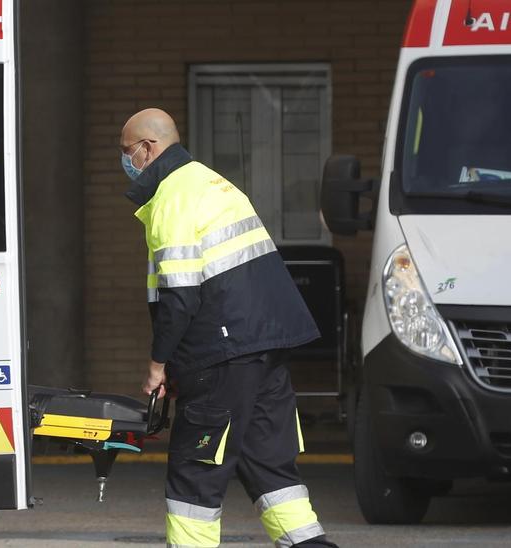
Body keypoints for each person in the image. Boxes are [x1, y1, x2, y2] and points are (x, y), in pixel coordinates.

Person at [119, 108, 338, 548]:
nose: (126, 163)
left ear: (148, 148)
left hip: (222, 352)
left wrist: (158, 366)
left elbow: (180, 297)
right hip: (264, 347)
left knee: (194, 475)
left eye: (127, 153)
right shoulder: (213, 182)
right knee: (270, 465)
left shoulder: (171, 198)